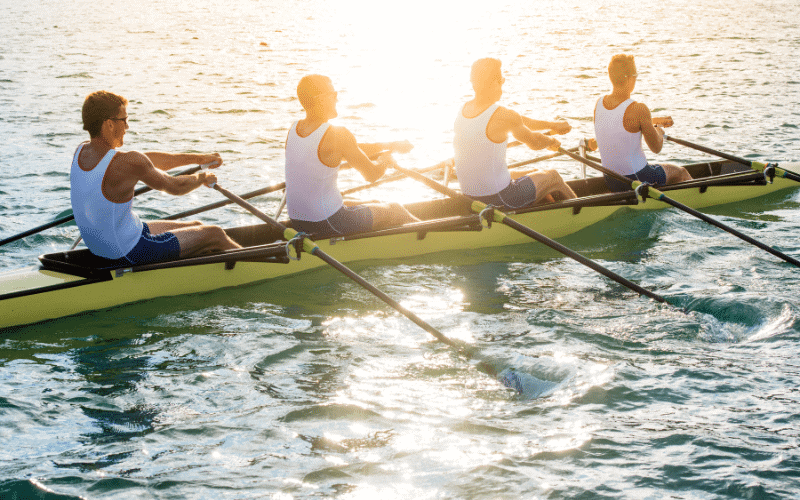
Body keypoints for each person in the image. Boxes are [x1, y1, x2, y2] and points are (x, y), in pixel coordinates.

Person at [71, 90, 241, 267]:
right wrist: (200, 178)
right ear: (109, 124)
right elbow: (175, 187)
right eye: (124, 120)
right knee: (215, 234)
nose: (127, 127)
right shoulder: (127, 162)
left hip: (106, 246)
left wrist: (198, 159)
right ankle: (261, 265)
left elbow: (147, 161)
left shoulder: (81, 151)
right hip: (129, 252)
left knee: (196, 225)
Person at [285, 74, 419, 235]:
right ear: (320, 99)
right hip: (329, 222)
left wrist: (390, 145)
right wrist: (386, 159)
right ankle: (438, 233)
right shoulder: (338, 134)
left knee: (376, 203)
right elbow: (372, 175)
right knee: (396, 209)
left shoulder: (294, 129)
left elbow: (347, 150)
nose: (337, 100)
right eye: (334, 95)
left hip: (299, 221)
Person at [453, 58, 576, 210]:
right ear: (493, 83)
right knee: (553, 176)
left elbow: (521, 121)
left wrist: (552, 125)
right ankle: (584, 216)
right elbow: (535, 143)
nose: (502, 85)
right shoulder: (504, 116)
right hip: (501, 199)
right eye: (502, 81)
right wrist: (551, 141)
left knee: (533, 173)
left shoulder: (464, 110)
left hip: (469, 198)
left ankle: (546, 213)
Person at [594, 54, 692, 192]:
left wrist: (655, 120)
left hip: (611, 179)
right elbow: (656, 148)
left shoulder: (599, 103)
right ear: (629, 78)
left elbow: (621, 123)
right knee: (681, 172)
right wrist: (658, 129)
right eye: (636, 75)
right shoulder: (639, 109)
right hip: (639, 178)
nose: (636, 78)